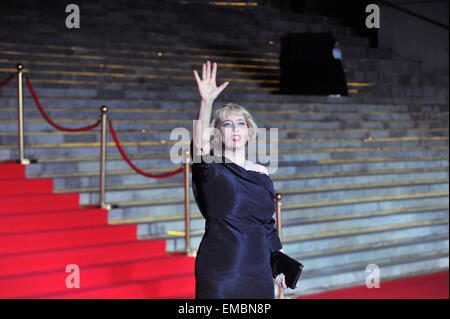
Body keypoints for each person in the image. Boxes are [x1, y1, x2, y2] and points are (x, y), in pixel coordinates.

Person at [190, 60, 287, 299]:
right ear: (217, 133)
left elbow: (267, 224)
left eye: (240, 123)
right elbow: (199, 146)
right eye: (227, 124)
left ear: (249, 132)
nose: (235, 128)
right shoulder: (211, 168)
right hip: (222, 271)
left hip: (259, 272)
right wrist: (206, 102)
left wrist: (279, 259)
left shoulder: (262, 174)